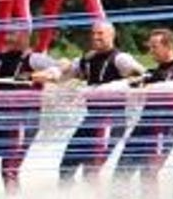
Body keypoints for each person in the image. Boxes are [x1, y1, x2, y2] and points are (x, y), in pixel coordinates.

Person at [113, 30, 173, 183]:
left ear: (168, 46)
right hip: (142, 128)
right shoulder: (151, 73)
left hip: (165, 129)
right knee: (121, 173)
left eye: (154, 47)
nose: (151, 51)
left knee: (148, 173)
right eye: (150, 47)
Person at [56, 23, 142, 183]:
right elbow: (63, 76)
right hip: (91, 120)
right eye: (93, 33)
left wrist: (108, 87)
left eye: (100, 34)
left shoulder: (121, 59)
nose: (95, 37)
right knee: (66, 167)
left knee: (91, 170)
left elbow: (141, 77)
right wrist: (59, 67)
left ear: (112, 35)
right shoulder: (87, 59)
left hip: (112, 120)